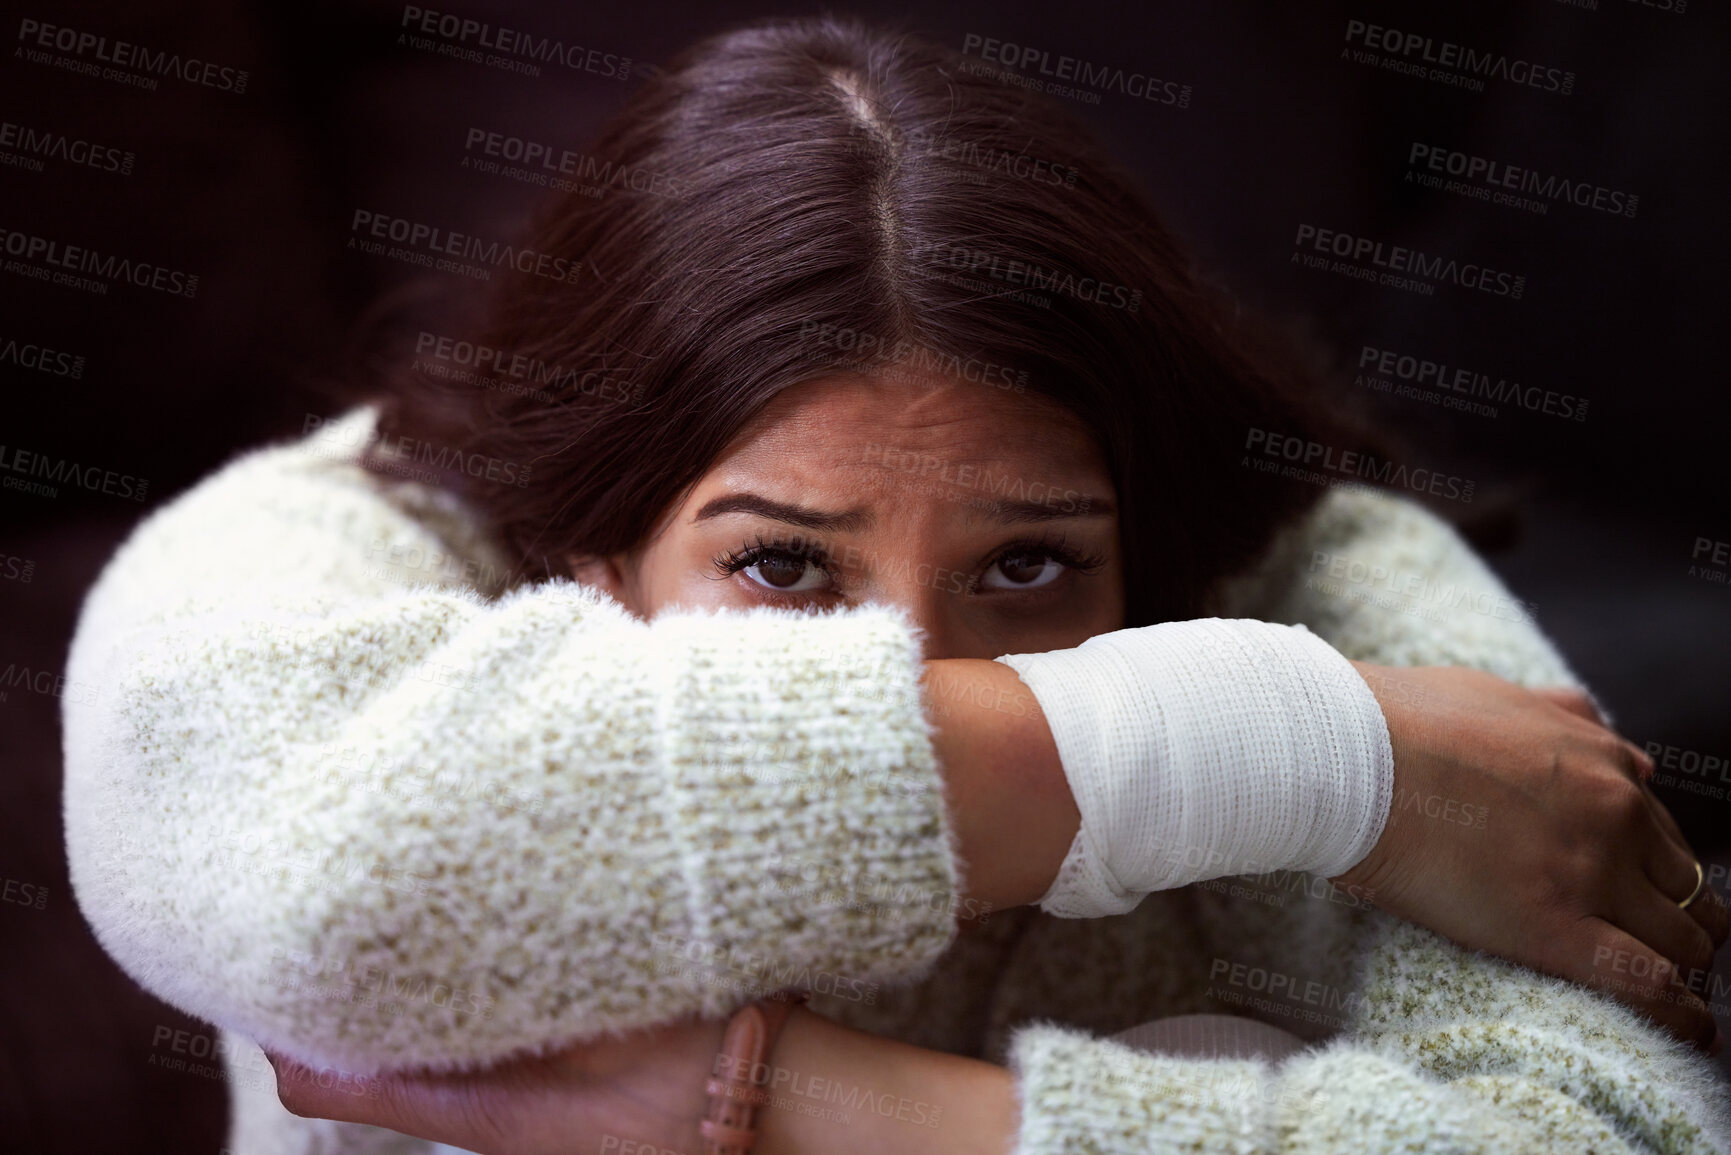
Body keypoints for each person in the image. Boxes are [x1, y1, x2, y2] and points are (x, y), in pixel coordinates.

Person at [61, 14, 1728, 1155]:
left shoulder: (1313, 568)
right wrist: (1295, 760)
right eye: (785, 564)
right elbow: (314, 887)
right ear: (582, 547)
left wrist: (787, 1110)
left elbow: (1608, 1131)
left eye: (1028, 567)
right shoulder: (359, 533)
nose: (928, 663)